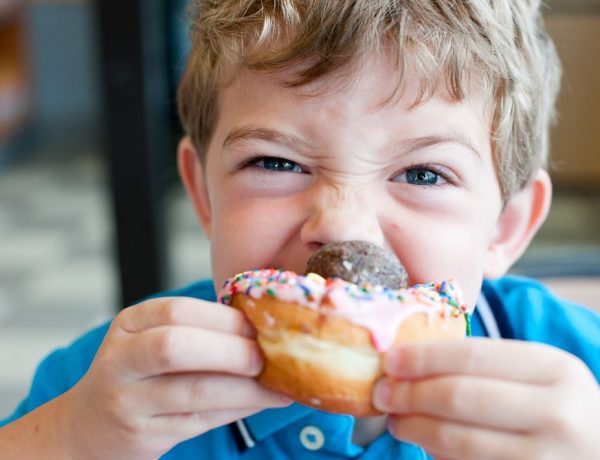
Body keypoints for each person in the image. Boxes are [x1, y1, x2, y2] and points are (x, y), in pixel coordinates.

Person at [1, 0, 599, 458]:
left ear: (506, 227)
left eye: (422, 173)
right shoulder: (115, 386)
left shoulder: (578, 373)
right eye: (277, 163)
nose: (343, 229)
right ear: (204, 195)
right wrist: (66, 439)